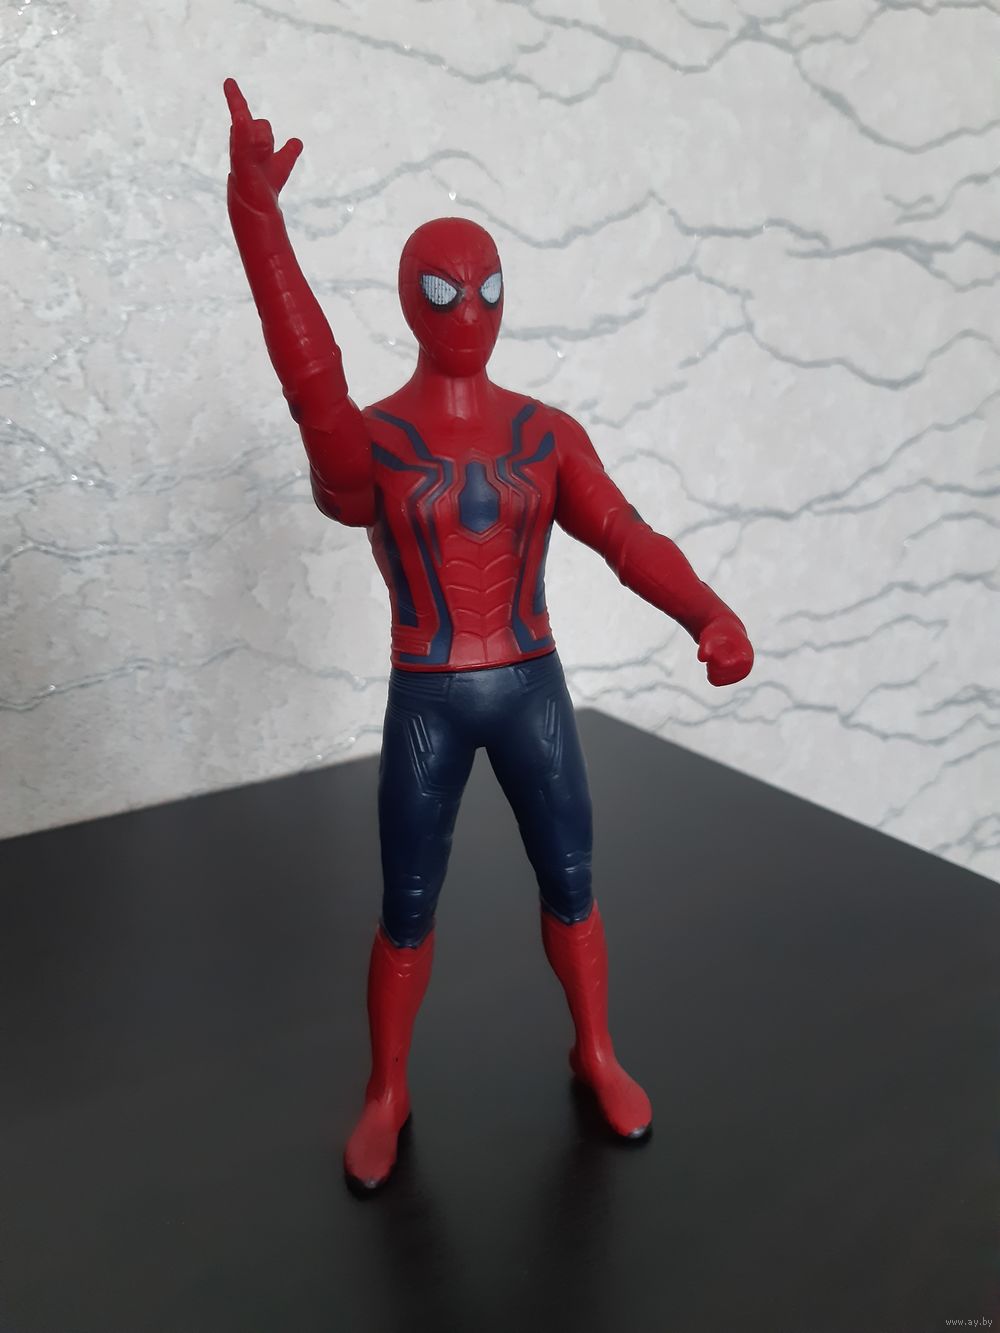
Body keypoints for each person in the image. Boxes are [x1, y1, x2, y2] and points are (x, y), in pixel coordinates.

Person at [223, 78, 754, 1191]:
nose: (468, 309)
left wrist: (706, 610)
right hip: (427, 690)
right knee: (407, 904)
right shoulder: (374, 441)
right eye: (442, 289)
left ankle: (595, 1048)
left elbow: (625, 535)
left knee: (572, 876)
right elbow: (309, 380)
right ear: (411, 303)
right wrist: (259, 222)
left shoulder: (544, 433)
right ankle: (387, 1087)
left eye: (485, 288)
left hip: (531, 686)